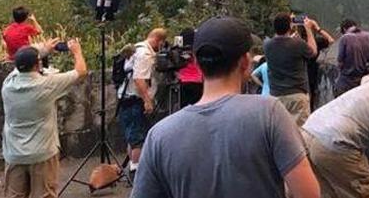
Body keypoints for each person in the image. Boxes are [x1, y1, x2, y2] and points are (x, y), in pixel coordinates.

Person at [130, 16, 320, 198]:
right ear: (245, 62)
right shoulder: (269, 113)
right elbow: (308, 193)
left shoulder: (159, 135)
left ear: (196, 62)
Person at [2, 40, 87, 198]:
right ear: (37, 65)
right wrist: (76, 51)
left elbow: (21, 64)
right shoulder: (47, 85)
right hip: (42, 153)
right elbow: (80, 72)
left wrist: (42, 50)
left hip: (14, 153)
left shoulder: (8, 84)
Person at [118, 27, 167, 178]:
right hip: (135, 100)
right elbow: (139, 79)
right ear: (159, 40)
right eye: (162, 44)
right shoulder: (144, 54)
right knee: (138, 139)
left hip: (126, 99)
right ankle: (137, 173)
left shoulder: (136, 49)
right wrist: (147, 100)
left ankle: (133, 170)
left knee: (133, 138)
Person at [264, 12, 318, 126]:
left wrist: (288, 25)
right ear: (290, 26)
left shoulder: (267, 45)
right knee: (300, 133)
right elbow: (313, 52)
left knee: (281, 131)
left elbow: (280, 42)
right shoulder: (298, 44)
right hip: (297, 94)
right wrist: (308, 29)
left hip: (276, 96)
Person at [334, 18, 369, 97]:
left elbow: (340, 62)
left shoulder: (344, 38)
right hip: (363, 80)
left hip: (346, 82)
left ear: (344, 29)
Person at [301, 18, 335, 110]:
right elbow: (331, 40)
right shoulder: (316, 42)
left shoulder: (296, 42)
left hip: (298, 73)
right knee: (312, 94)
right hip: (312, 71)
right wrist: (317, 28)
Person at [175, 28, 203, 108]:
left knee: (183, 106)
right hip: (197, 82)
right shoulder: (196, 50)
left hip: (182, 82)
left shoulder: (178, 51)